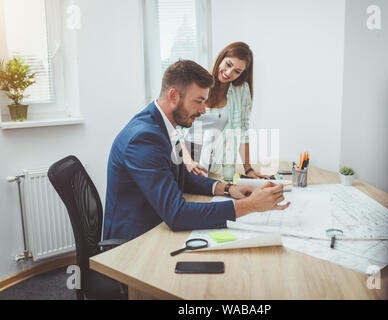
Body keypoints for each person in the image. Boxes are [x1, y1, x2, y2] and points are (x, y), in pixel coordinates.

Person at [103, 60, 290, 240]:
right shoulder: (144, 139)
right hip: (135, 240)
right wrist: (250, 206)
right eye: (198, 101)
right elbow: (177, 215)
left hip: (157, 225)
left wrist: (227, 188)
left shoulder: (164, 125)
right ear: (174, 96)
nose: (203, 110)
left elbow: (180, 176)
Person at [178, 42, 269, 179]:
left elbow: (242, 130)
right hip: (183, 153)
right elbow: (176, 127)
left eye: (237, 71)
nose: (228, 73)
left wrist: (248, 169)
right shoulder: (198, 84)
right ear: (221, 59)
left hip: (211, 160)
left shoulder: (241, 91)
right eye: (228, 64)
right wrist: (188, 160)